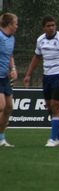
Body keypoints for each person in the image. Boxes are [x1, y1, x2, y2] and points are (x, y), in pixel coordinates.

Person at [23, 15, 59, 147]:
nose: (51, 28)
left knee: (56, 105)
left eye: (53, 25)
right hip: (47, 76)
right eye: (48, 26)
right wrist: (28, 74)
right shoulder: (40, 40)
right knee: (50, 107)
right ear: (44, 28)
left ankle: (53, 139)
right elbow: (37, 57)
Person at [0, 13, 18, 147]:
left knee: (9, 108)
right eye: (16, 23)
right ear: (9, 24)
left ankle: (1, 138)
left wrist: (13, 69)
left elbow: (10, 55)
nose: (17, 26)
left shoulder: (12, 38)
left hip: (5, 77)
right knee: (1, 106)